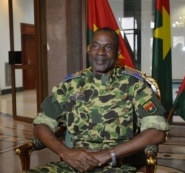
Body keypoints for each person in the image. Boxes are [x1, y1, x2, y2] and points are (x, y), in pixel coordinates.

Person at [23, 27, 168, 173]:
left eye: (108, 47)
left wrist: (107, 155)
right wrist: (65, 152)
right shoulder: (71, 85)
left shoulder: (134, 86)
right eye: (96, 46)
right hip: (73, 165)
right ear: (88, 49)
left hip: (117, 166)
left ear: (117, 53)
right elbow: (40, 125)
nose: (100, 52)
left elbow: (157, 132)